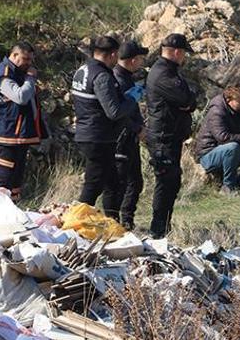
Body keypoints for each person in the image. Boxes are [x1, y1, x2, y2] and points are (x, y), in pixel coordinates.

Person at [71, 36, 142, 221]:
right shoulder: (102, 75)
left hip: (88, 132)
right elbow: (114, 111)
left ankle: (112, 222)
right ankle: (76, 224)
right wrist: (132, 99)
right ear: (112, 55)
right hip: (98, 136)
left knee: (112, 182)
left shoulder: (83, 69)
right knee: (93, 185)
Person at [145, 33, 197, 238]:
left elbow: (189, 101)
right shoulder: (163, 74)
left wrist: (188, 101)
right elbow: (186, 98)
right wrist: (188, 101)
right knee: (166, 182)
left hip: (171, 136)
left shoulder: (169, 71)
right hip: (163, 137)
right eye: (184, 53)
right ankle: (158, 230)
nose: (184, 58)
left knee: (172, 182)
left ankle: (164, 227)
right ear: (176, 52)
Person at [0, 42, 49, 201]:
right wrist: (30, 79)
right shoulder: (4, 73)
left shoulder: (18, 72)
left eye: (30, 60)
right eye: (25, 59)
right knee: (3, 179)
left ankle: (12, 212)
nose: (29, 63)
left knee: (15, 179)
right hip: (7, 135)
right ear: (14, 55)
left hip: (18, 136)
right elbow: (20, 97)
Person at [194, 84, 240, 194]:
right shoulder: (217, 111)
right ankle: (228, 187)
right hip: (208, 155)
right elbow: (223, 138)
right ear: (229, 100)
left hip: (229, 152)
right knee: (232, 147)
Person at [113, 41, 148, 230]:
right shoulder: (118, 79)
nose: (142, 62)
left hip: (129, 137)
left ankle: (126, 221)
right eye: (140, 59)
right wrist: (137, 129)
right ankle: (116, 221)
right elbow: (118, 114)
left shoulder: (125, 77)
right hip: (122, 138)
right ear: (133, 60)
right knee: (122, 183)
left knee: (135, 182)